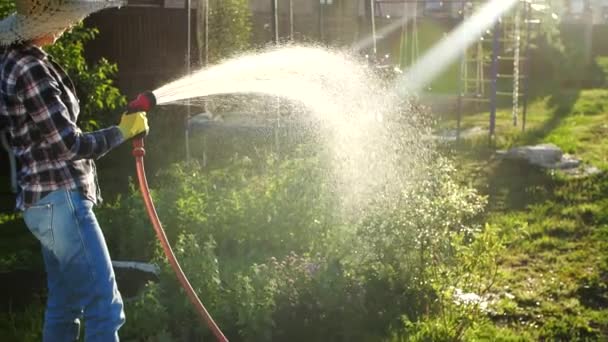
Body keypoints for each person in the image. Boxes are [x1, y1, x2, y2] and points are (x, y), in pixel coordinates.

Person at [0, 0, 148, 340]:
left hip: (44, 205)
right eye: (63, 20)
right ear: (39, 27)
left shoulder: (17, 61)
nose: (70, 25)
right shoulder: (30, 69)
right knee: (104, 308)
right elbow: (69, 144)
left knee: (65, 304)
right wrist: (122, 132)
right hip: (61, 200)